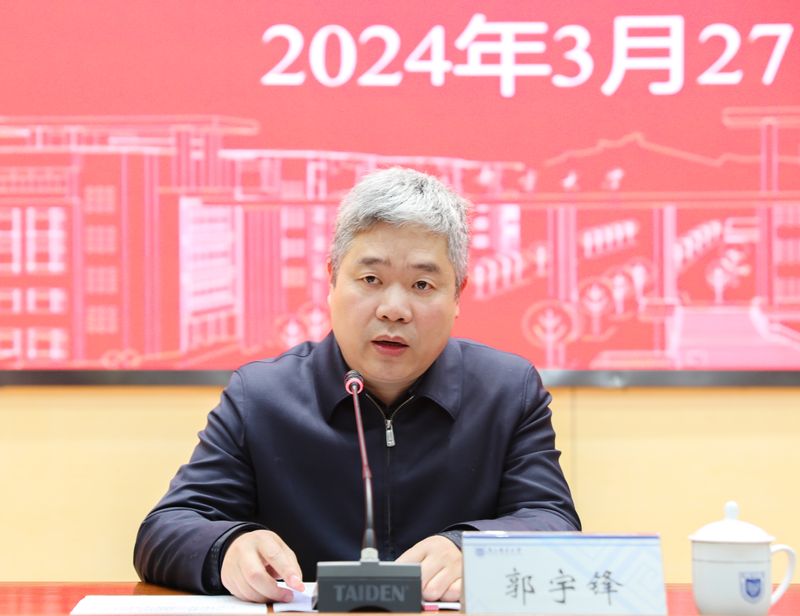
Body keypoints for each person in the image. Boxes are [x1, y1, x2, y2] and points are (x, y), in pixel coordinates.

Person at [134, 166, 580, 604]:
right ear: (332, 279)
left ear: (457, 295)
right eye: (371, 279)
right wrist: (229, 547)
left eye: (422, 284)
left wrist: (471, 547)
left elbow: (553, 522)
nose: (394, 309)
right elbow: (165, 530)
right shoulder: (263, 396)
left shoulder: (507, 392)